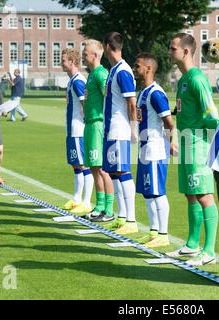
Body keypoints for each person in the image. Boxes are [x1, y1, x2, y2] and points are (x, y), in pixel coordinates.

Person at [166, 33, 219, 266]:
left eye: (173, 48)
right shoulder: (184, 79)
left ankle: (209, 250)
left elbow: (212, 114)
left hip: (198, 143)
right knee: (191, 193)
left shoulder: (197, 79)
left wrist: (204, 139)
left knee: (204, 195)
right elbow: (185, 109)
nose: (170, 52)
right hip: (187, 141)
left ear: (186, 51)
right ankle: (191, 245)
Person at [132, 53, 175, 247]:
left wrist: (171, 143)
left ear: (149, 69)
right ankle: (153, 232)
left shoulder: (156, 93)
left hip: (155, 149)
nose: (134, 69)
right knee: (148, 192)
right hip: (144, 149)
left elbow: (169, 122)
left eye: (137, 66)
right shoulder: (142, 92)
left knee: (157, 192)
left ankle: (163, 234)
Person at [101, 32, 138, 235]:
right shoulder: (113, 70)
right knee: (114, 173)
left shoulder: (123, 71)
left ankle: (131, 218)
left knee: (123, 171)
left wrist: (133, 129)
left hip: (120, 129)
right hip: (110, 130)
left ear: (107, 46)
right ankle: (122, 216)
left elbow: (131, 103)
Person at [81, 39, 115, 222]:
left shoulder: (102, 74)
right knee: (94, 167)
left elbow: (108, 98)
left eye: (85, 54)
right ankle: (100, 205)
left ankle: (109, 208)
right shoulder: (92, 74)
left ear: (94, 55)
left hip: (97, 124)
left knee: (101, 168)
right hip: (89, 124)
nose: (83, 57)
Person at [60, 48, 94, 214]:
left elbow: (85, 104)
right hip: (71, 130)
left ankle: (86, 202)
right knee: (76, 165)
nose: (61, 62)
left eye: (64, 59)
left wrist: (86, 124)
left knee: (83, 165)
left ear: (72, 62)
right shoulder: (71, 80)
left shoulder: (78, 81)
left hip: (78, 130)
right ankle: (76, 198)